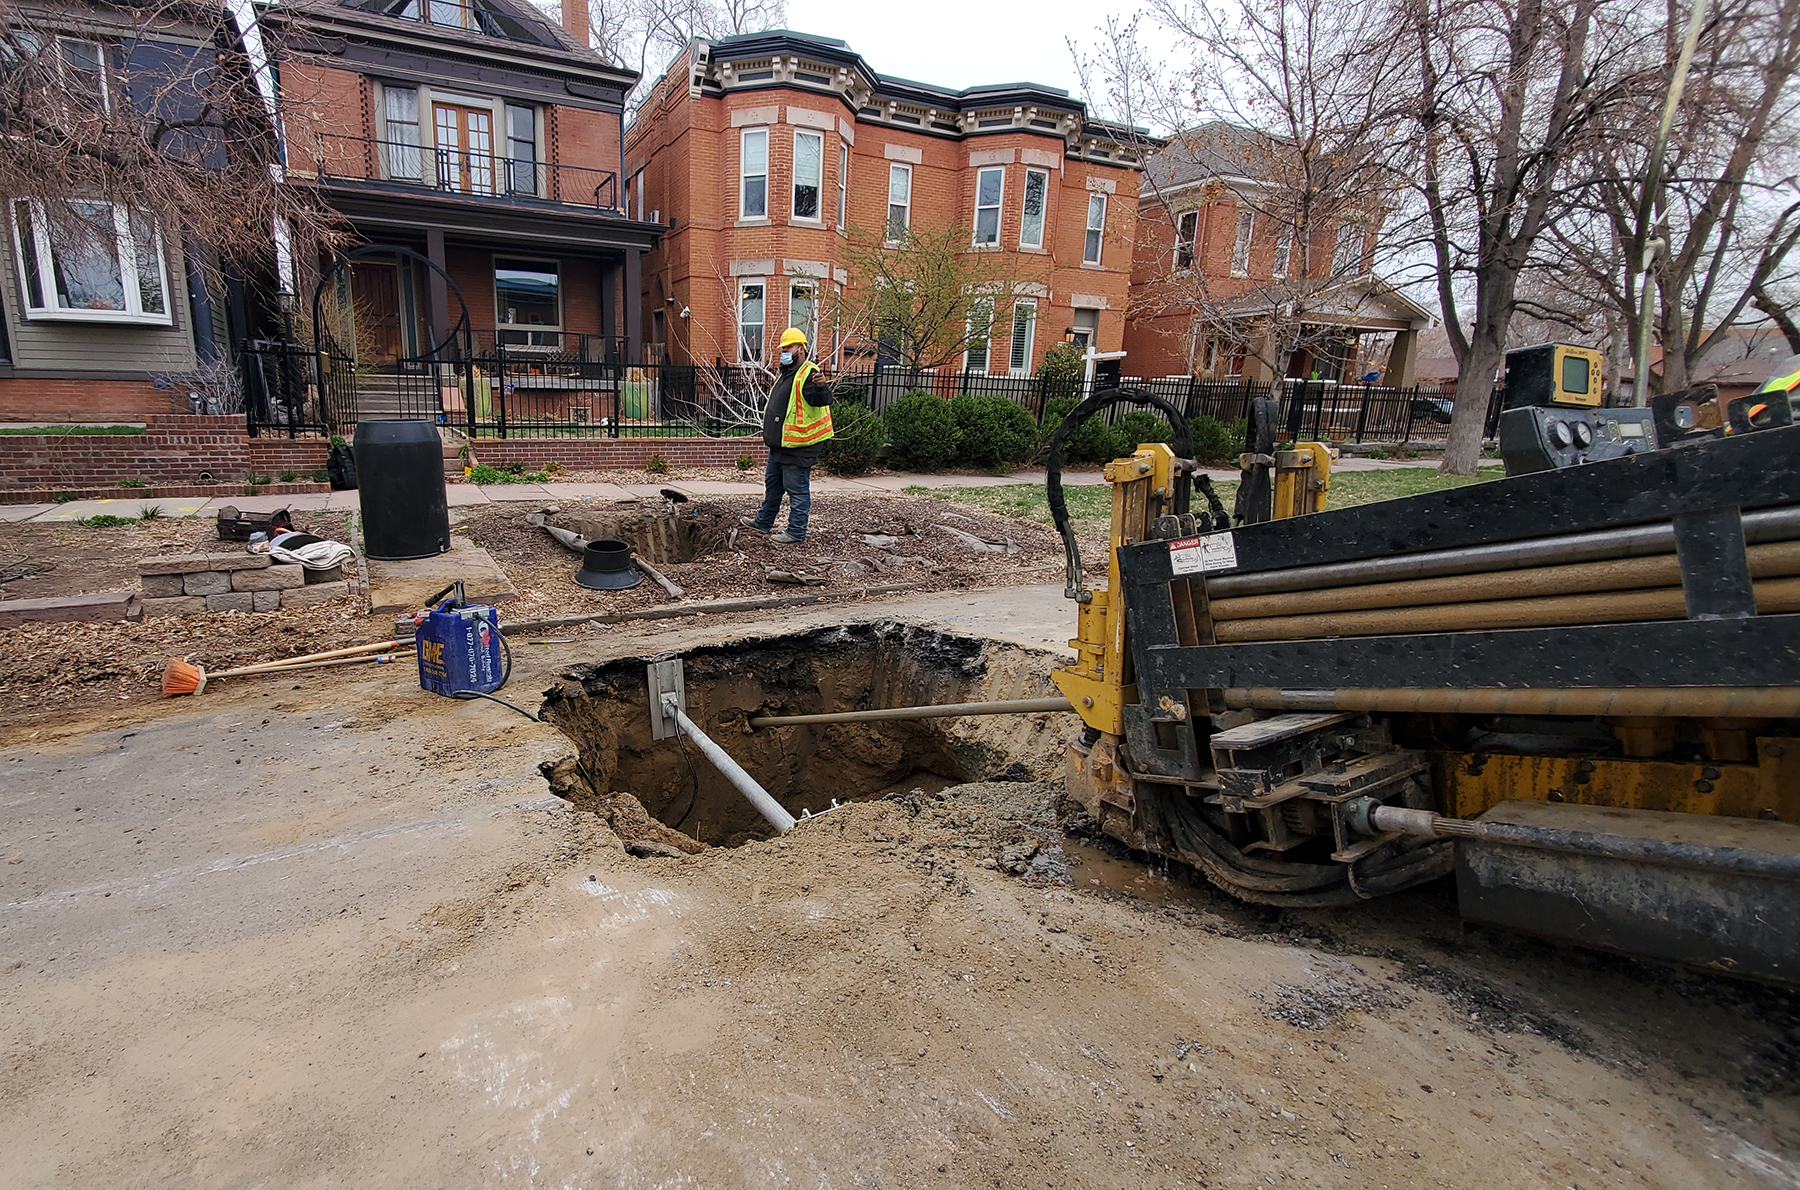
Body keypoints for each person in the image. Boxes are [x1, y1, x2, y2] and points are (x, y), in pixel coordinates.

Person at [741, 327, 834, 544]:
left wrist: (822, 387)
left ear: (800, 349)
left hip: (798, 447)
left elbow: (822, 399)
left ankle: (796, 532)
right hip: (781, 446)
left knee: (797, 491)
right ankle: (763, 523)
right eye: (783, 348)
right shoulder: (787, 374)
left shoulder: (809, 373)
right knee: (773, 486)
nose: (784, 351)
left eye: (788, 347)